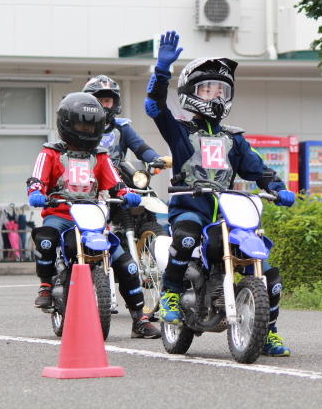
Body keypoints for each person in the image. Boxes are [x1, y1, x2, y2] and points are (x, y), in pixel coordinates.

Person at [144, 30, 297, 356]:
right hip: (190, 205)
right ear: (190, 92)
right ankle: (171, 293)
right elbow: (155, 107)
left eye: (220, 89)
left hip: (227, 212)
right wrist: (161, 72)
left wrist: (277, 187)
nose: (214, 95)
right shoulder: (181, 131)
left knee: (267, 268)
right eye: (207, 88)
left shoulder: (234, 138)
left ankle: (267, 331)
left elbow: (257, 169)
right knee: (186, 236)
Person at [27, 92, 161, 339]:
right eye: (81, 124)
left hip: (94, 216)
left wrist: (128, 193)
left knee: (127, 264)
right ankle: (46, 285)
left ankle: (139, 319)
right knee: (46, 238)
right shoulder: (51, 152)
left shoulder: (100, 155)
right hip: (61, 214)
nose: (86, 129)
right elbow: (37, 180)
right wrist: (36, 191)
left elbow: (115, 183)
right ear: (66, 123)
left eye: (91, 125)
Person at [82, 75, 172, 169]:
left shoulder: (121, 127)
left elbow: (141, 148)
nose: (104, 105)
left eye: (107, 101)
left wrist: (157, 158)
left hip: (115, 179)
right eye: (99, 100)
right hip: (84, 176)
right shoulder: (78, 126)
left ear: (115, 103)